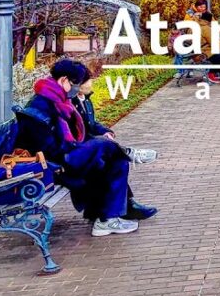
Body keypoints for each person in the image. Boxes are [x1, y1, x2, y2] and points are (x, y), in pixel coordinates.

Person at [14, 60, 155, 236]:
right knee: (102, 147)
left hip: (66, 155)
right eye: (77, 83)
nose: (78, 87)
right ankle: (128, 153)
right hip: (55, 164)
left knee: (117, 163)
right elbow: (48, 147)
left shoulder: (60, 100)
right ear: (64, 80)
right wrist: (84, 148)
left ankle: (107, 220)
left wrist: (87, 144)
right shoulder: (41, 105)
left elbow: (79, 132)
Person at [68, 63, 159, 220]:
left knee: (115, 163)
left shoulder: (85, 100)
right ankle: (113, 210)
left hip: (88, 149)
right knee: (110, 164)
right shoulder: (71, 104)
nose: (91, 83)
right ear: (75, 84)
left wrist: (104, 131)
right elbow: (78, 133)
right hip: (78, 154)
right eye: (87, 81)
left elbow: (91, 124)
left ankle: (123, 206)